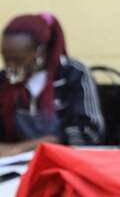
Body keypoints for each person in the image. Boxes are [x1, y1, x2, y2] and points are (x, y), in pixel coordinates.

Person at [0, 14, 105, 157]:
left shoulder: (73, 74)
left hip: (64, 159)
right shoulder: (4, 81)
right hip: (13, 163)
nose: (10, 65)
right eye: (6, 58)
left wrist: (22, 148)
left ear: (41, 51)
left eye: (18, 59)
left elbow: (89, 132)